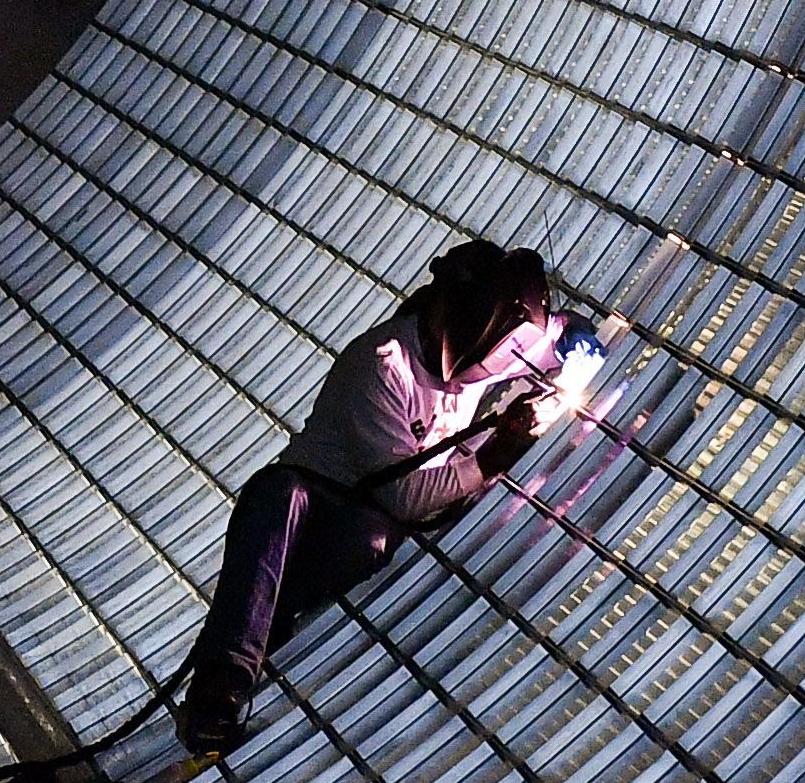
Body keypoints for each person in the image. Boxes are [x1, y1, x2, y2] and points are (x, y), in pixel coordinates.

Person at [175, 240, 566, 756]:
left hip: (364, 534)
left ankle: (273, 642)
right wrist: (492, 457)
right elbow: (400, 495)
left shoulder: (495, 356)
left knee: (373, 542)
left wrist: (576, 338)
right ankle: (218, 686)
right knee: (279, 497)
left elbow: (553, 339)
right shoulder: (383, 365)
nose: (494, 366)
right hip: (309, 515)